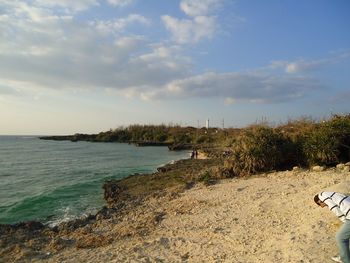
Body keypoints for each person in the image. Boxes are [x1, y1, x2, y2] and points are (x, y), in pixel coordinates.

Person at [314, 192, 350, 263]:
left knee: (340, 237)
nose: (322, 207)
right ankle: (346, 255)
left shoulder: (324, 198)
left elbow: (336, 210)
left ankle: (345, 260)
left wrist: (344, 221)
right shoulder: (333, 194)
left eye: (320, 205)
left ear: (319, 201)